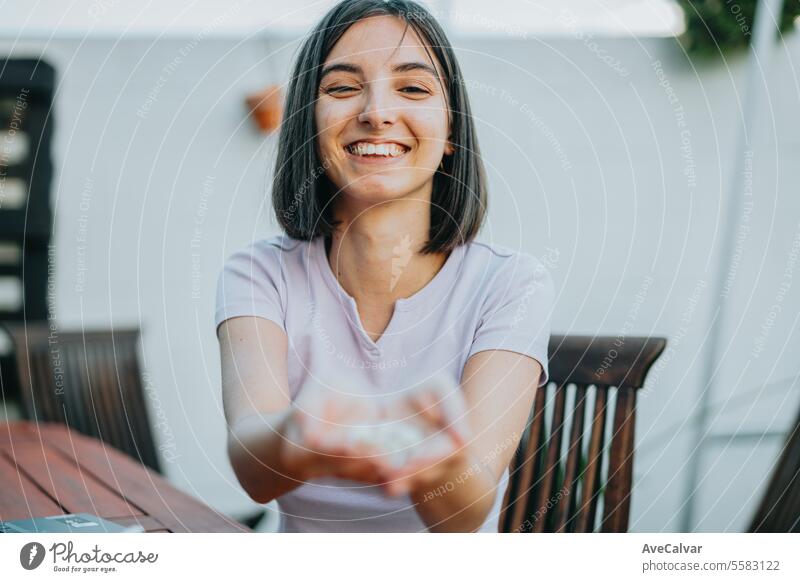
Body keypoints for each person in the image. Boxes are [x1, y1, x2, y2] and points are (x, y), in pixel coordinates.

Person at [215, 0, 555, 533]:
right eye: (343, 88)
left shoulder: (511, 285)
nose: (376, 112)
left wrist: (432, 463)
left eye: (413, 89)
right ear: (308, 125)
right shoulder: (259, 274)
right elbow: (254, 470)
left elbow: (464, 515)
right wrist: (303, 438)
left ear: (451, 136)